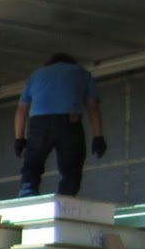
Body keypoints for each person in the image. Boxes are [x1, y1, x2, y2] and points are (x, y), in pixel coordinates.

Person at [13, 53, 106, 197]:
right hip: (69, 122)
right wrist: (98, 136)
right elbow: (92, 106)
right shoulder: (81, 73)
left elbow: (21, 109)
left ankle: (27, 194)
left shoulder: (36, 75)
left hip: (39, 122)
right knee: (71, 168)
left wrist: (19, 138)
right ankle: (65, 201)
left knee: (33, 163)